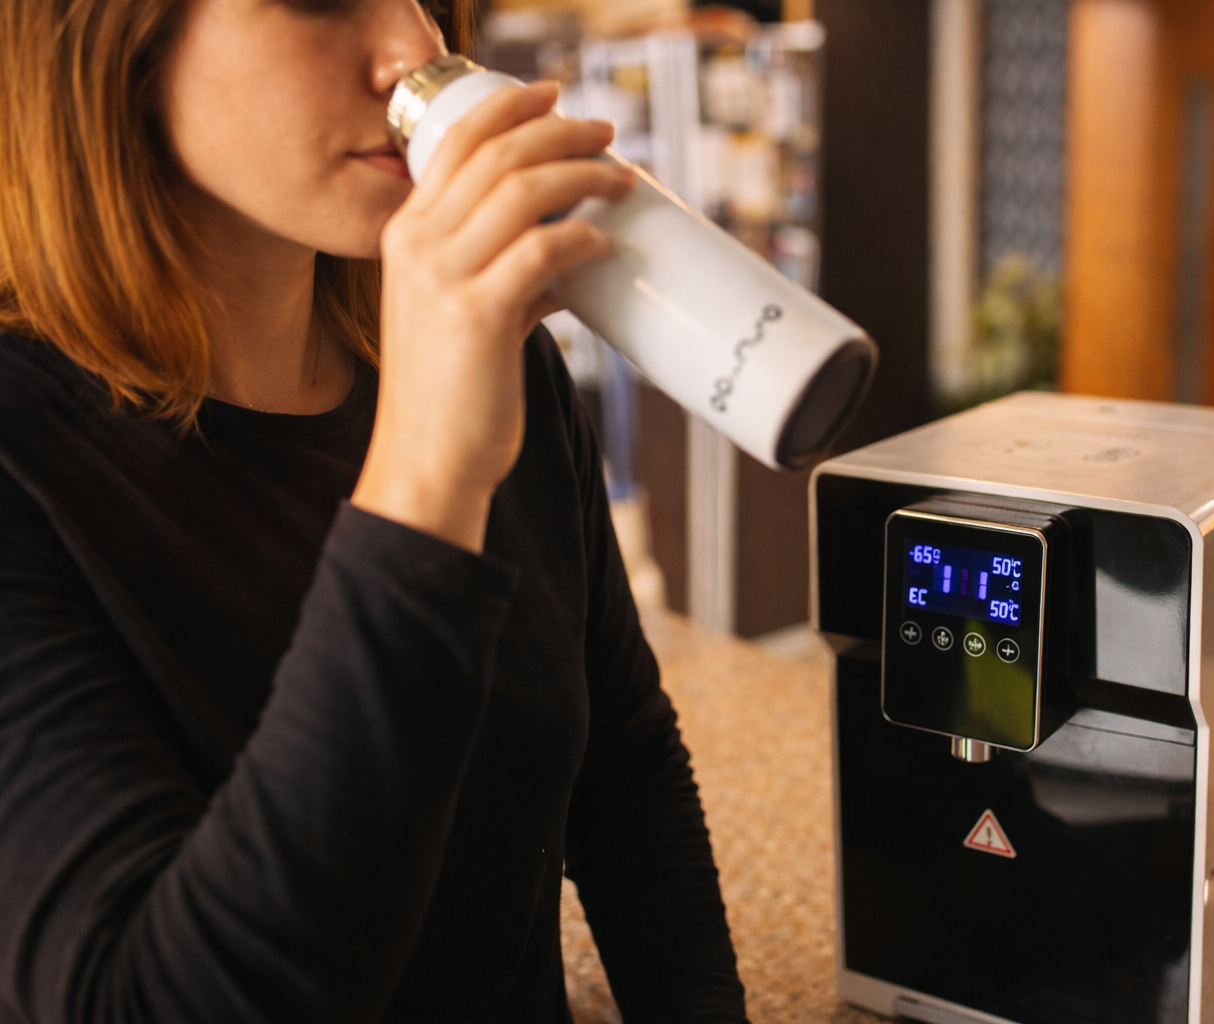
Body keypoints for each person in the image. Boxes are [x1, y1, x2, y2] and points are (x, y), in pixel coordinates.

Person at [0, 1, 748, 1021]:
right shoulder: (28, 458)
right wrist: (427, 475)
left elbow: (625, 773)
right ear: (105, 40)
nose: (415, 51)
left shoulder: (493, 359)